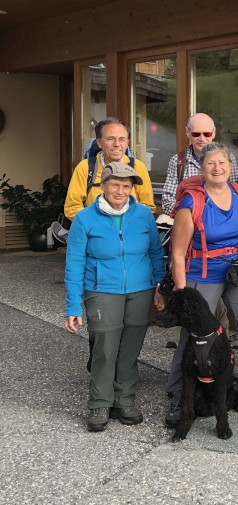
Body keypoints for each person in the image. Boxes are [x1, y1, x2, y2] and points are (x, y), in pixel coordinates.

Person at [164, 143, 238, 426]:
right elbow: (177, 252)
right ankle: (178, 393)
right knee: (193, 335)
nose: (217, 167)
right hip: (203, 272)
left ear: (229, 165)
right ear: (202, 167)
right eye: (210, 163)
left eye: (222, 162)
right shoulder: (192, 202)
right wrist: (182, 291)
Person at [64, 162, 164, 431]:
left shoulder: (143, 214)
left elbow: (155, 252)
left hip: (140, 290)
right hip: (101, 289)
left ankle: (124, 399)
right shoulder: (85, 218)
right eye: (115, 184)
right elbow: (74, 263)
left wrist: (158, 286)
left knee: (130, 349)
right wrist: (73, 305)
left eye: (126, 185)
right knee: (105, 349)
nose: (120, 190)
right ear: (103, 185)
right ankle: (99, 402)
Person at [64, 118, 155, 220]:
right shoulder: (86, 167)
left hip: (129, 230)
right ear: (99, 142)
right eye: (110, 139)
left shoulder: (138, 167)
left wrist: (126, 226)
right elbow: (72, 207)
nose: (116, 144)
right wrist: (98, 225)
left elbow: (147, 207)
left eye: (122, 139)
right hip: (95, 231)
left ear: (127, 143)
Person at [161, 113, 238, 215]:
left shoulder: (228, 159)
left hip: (220, 222)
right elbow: (167, 202)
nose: (202, 139)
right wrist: (193, 216)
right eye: (196, 134)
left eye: (206, 134)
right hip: (189, 225)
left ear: (214, 133)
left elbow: (235, 195)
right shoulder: (177, 162)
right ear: (188, 132)